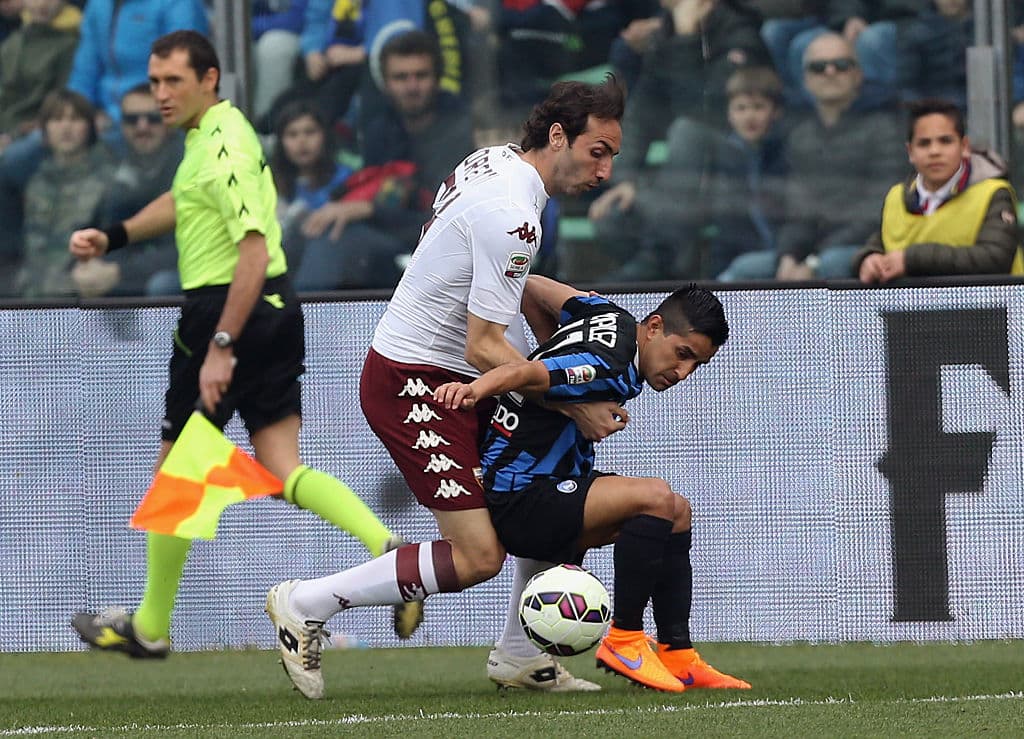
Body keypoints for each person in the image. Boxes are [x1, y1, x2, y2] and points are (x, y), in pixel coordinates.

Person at [265, 76, 630, 700]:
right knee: (479, 557)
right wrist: (576, 400)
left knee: (552, 485)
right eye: (598, 151)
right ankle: (304, 604)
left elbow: (492, 284)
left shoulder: (497, 163)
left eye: (614, 155)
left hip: (457, 379)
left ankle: (522, 657)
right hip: (415, 382)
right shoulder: (513, 215)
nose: (606, 170)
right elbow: (483, 344)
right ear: (559, 137)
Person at [67, 30, 422, 671]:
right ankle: (387, 548)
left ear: (211, 79)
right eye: (154, 82)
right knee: (281, 465)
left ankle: (149, 626)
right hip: (274, 310)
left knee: (179, 464)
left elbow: (252, 249)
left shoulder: (225, 141)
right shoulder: (212, 133)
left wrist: (221, 345)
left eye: (173, 81)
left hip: (228, 310)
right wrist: (115, 236)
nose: (161, 94)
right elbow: (185, 202)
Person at [433, 277, 750, 693]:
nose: (683, 372)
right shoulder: (607, 362)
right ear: (653, 328)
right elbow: (527, 371)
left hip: (549, 484)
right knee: (655, 498)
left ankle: (678, 653)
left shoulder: (608, 315)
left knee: (677, 511)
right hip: (520, 498)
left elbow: (528, 288)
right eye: (683, 354)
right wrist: (473, 390)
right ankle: (623, 640)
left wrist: (555, 349)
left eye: (697, 364)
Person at [290, 29, 474, 291]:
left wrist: (369, 210)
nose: (412, 86)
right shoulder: (380, 126)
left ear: (437, 79)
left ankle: (308, 327)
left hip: (436, 241)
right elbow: (377, 190)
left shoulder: (457, 127)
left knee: (334, 240)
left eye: (420, 75)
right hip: (384, 232)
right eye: (401, 78)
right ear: (385, 83)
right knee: (303, 231)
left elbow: (445, 217)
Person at [719, 32, 906, 281]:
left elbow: (879, 210)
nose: (829, 72)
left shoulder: (887, 127)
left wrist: (813, 259)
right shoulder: (801, 135)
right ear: (805, 79)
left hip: (869, 249)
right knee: (743, 270)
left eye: (840, 65)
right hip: (814, 252)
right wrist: (790, 255)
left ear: (858, 74)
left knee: (830, 266)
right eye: (818, 67)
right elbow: (798, 211)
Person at [854, 99, 1023, 283]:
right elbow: (879, 243)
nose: (934, 151)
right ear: (910, 151)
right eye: (924, 143)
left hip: (988, 310)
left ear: (964, 147)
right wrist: (868, 259)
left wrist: (910, 260)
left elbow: (995, 258)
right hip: (910, 310)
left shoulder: (995, 193)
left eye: (945, 141)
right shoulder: (896, 196)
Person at [93, 83, 183, 297]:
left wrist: (120, 271)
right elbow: (106, 231)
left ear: (169, 122)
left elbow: (185, 249)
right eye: (132, 120)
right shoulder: (112, 164)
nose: (142, 127)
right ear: (122, 125)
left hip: (186, 272)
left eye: (153, 118)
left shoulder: (188, 162)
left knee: (161, 285)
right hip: (134, 268)